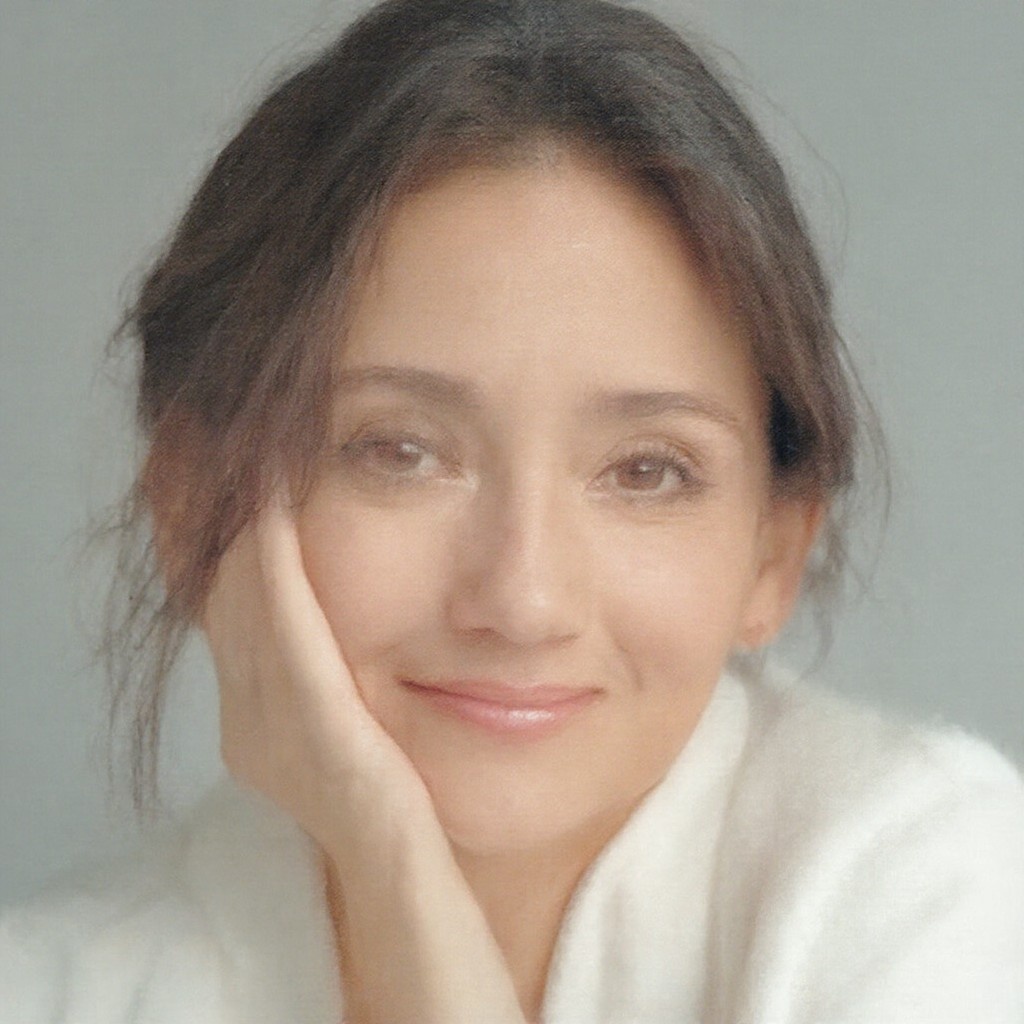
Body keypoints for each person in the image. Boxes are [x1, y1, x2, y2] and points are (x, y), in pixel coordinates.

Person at [2, 0, 1022, 1021]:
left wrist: (402, 906)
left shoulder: (923, 888)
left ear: (774, 552)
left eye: (646, 471)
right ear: (193, 507)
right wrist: (384, 854)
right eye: (399, 451)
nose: (523, 599)